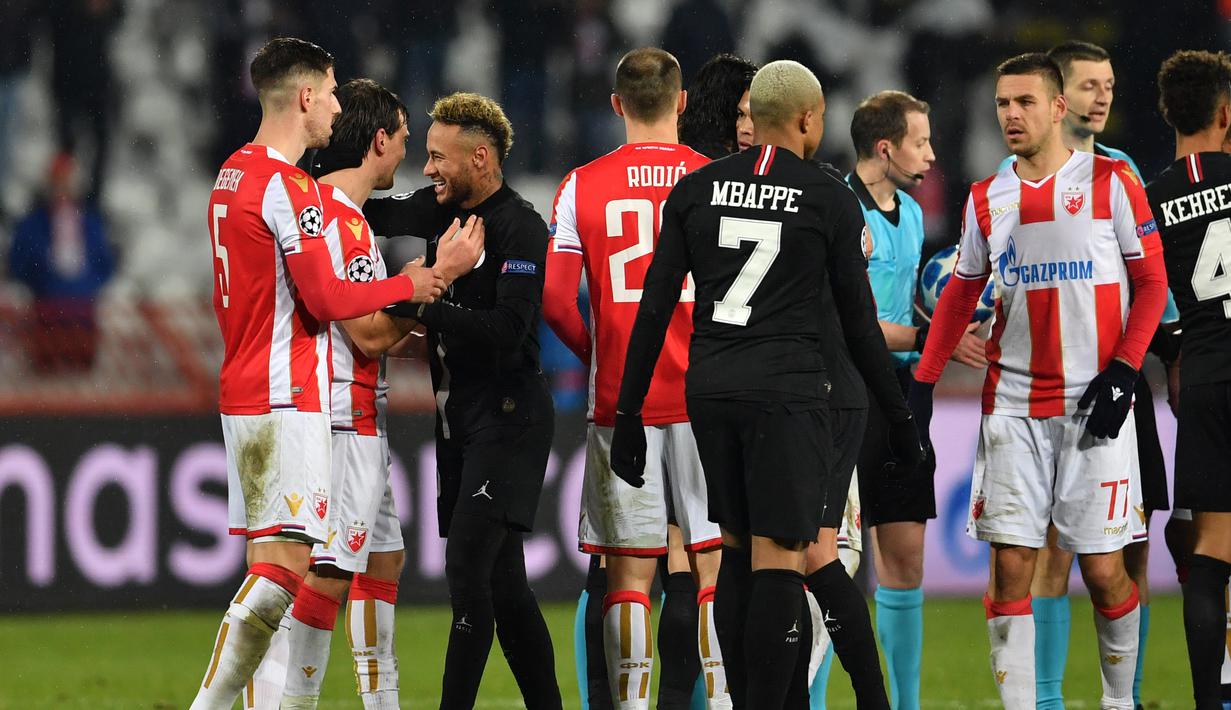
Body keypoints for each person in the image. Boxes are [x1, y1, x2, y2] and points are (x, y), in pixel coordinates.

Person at [611, 59, 923, 710]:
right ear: (808, 118)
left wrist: (629, 413)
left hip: (711, 391)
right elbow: (860, 325)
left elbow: (655, 306)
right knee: (782, 559)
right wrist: (899, 419)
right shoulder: (827, 196)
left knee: (732, 552)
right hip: (787, 394)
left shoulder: (696, 189)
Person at [191, 37, 451, 710]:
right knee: (285, 578)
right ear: (305, 97)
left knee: (275, 573)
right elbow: (329, 298)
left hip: (244, 384)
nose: (338, 107)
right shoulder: (289, 188)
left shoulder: (231, 174)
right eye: (332, 93)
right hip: (289, 393)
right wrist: (410, 285)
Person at [907, 53, 1167, 710]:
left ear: (1057, 107)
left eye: (1024, 102)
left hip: (1093, 406)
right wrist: (923, 385)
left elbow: (1150, 284)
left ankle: (1118, 702)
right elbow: (960, 294)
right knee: (1011, 569)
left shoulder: (1111, 181)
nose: (1011, 115)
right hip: (1012, 407)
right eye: (1002, 103)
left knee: (1103, 570)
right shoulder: (984, 198)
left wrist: (1123, 370)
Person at [257, 78, 481, 710]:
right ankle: (291, 703)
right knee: (327, 575)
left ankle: (381, 702)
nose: (409, 154)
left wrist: (417, 297)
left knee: (383, 560)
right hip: (340, 416)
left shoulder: (328, 210)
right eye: (405, 139)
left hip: (352, 413)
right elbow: (370, 333)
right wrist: (438, 278)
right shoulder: (339, 220)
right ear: (379, 141)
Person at [363, 92, 564, 710]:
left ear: (480, 157)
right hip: (459, 422)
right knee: (506, 589)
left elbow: (508, 332)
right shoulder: (438, 209)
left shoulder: (520, 227)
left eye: (438, 157)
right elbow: (370, 210)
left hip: (509, 419)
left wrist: (424, 297)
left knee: (467, 573)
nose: (427, 169)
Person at [994, 42, 1178, 710]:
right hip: (1045, 395)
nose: (1101, 98)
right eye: (1087, 85)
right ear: (1057, 98)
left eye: (1108, 85)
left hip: (1121, 383)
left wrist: (1158, 360)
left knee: (1129, 551)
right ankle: (1045, 698)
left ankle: (1126, 696)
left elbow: (1151, 283)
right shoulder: (1007, 181)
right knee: (1049, 553)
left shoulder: (1121, 171)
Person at [542, 48, 726, 710]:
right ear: (682, 102)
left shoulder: (581, 185)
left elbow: (555, 300)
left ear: (617, 104)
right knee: (710, 564)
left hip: (623, 402)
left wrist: (599, 351)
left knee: (627, 574)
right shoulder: (716, 180)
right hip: (707, 399)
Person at [845, 89, 986, 710]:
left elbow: (900, 308)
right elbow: (853, 322)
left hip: (900, 396)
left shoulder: (908, 211)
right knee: (832, 565)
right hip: (846, 396)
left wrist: (941, 326)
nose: (931, 154)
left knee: (905, 561)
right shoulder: (841, 213)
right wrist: (936, 338)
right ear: (885, 147)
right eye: (920, 142)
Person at [1146, 48, 1231, 710]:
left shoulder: (1149, 200)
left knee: (1210, 549)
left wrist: (1172, 353)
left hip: (1203, 378)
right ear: (1225, 113)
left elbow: (1138, 297)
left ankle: (1208, 702)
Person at [8, 153, 115, 373]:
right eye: (57, 184)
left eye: (67, 184)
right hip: (46, 314)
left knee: (80, 372)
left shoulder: (90, 222)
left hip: (82, 315)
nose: (62, 191)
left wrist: (89, 285)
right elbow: (17, 262)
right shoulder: (33, 224)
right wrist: (41, 278)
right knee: (47, 374)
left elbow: (105, 263)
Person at [677, 53, 757, 159]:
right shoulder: (728, 164)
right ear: (730, 106)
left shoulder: (677, 146)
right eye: (741, 113)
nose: (744, 128)